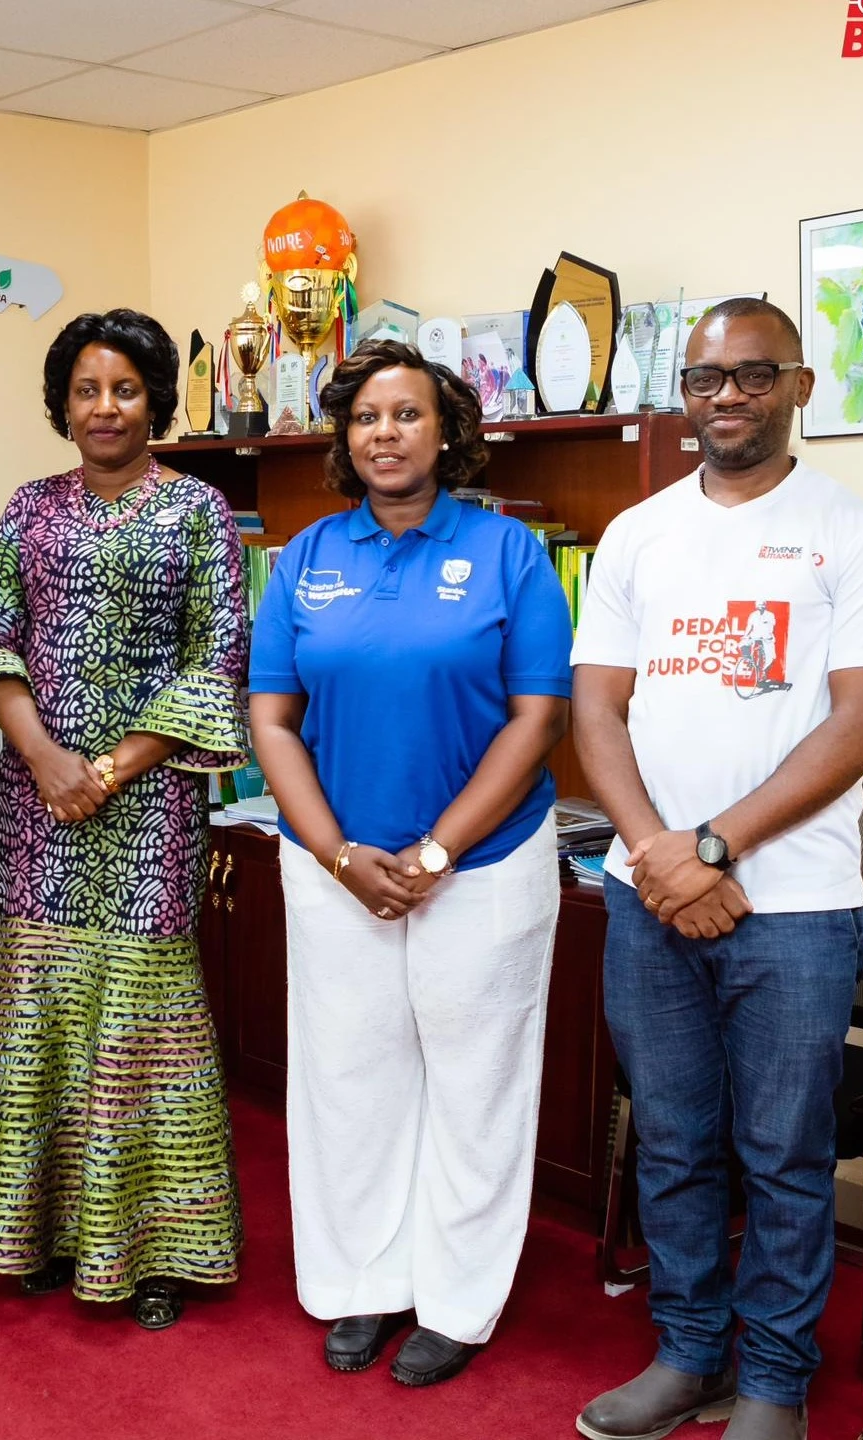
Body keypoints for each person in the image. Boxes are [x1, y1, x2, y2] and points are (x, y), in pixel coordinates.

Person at [570, 298, 863, 1440]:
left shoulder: (851, 531)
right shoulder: (638, 534)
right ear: (682, 396)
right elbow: (595, 711)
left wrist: (713, 847)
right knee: (672, 1140)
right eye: (704, 378)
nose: (725, 396)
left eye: (751, 374)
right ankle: (690, 1355)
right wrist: (656, 856)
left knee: (780, 1154)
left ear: (800, 387)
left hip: (797, 911)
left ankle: (774, 1380)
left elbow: (860, 723)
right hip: (648, 900)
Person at [247, 340, 572, 1384]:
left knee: (476, 1085)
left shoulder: (509, 554)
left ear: (446, 433)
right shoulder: (303, 559)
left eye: (407, 414)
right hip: (331, 867)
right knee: (349, 1082)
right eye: (366, 418)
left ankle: (456, 1301)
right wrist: (341, 853)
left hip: (482, 868)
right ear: (345, 438)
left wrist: (436, 850)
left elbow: (538, 717)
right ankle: (362, 1285)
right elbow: (272, 718)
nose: (385, 433)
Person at [0, 309, 249, 1332]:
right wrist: (43, 759)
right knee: (41, 1012)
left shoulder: (199, 511)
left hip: (151, 808)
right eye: (85, 389)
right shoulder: (29, 507)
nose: (104, 406)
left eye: (123, 388)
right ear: (61, 403)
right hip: (36, 814)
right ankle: (34, 1233)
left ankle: (152, 1250)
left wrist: (107, 771)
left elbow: (218, 662)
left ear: (156, 399)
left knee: (142, 1023)